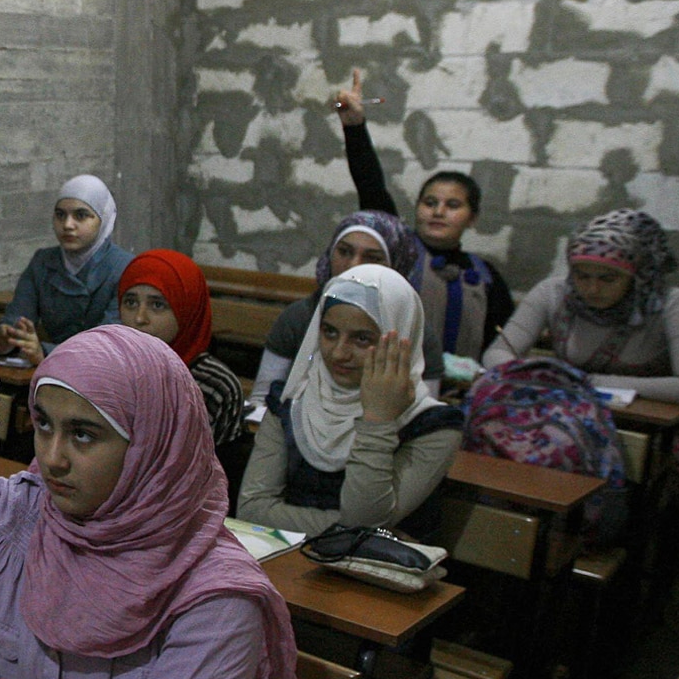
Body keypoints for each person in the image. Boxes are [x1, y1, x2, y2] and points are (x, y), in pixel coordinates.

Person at [0, 285, 301, 679]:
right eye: (44, 425)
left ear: (151, 443)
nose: (52, 459)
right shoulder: (24, 509)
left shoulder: (216, 597)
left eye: (83, 434)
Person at [238, 265, 464, 536]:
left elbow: (364, 516)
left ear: (400, 339)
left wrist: (378, 420)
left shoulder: (434, 426)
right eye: (330, 332)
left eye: (361, 338)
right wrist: (349, 530)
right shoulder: (291, 401)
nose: (338, 353)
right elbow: (251, 510)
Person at [334, 70, 515, 357]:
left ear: (473, 218)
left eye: (453, 206)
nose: (438, 212)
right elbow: (371, 186)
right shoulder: (397, 252)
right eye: (430, 202)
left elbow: (503, 344)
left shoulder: (486, 277)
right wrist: (354, 127)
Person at [484, 210, 679, 402]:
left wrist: (587, 382)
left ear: (638, 277)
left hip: (646, 426)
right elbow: (496, 353)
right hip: (566, 415)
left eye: (608, 279)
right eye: (582, 276)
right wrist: (536, 375)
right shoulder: (554, 292)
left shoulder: (672, 304)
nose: (592, 289)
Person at [257, 210, 445, 391]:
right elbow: (262, 395)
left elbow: (424, 414)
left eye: (372, 258)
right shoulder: (300, 316)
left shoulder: (417, 333)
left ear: (396, 266)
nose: (353, 265)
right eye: (345, 252)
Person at [0, 175, 131, 364]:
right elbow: (18, 315)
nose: (67, 225)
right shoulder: (43, 262)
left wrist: (45, 351)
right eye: (60, 215)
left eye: (81, 215)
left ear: (102, 220)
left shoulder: (125, 268)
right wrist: (6, 337)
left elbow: (107, 345)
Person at [117, 250, 245, 447]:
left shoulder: (212, 385)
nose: (139, 318)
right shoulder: (109, 368)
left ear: (186, 310)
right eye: (130, 302)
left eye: (157, 305)